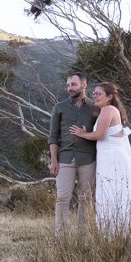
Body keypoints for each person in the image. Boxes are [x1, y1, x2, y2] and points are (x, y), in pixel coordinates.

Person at [69, 82, 131, 235]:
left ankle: (115, 233)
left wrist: (82, 134)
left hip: (112, 159)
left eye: (99, 93)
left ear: (109, 97)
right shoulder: (108, 110)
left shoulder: (108, 110)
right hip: (110, 157)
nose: (94, 96)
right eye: (94, 93)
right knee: (116, 193)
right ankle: (121, 231)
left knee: (112, 193)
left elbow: (100, 135)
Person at [49, 72, 97, 236]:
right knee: (62, 198)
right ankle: (60, 237)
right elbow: (53, 137)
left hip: (88, 159)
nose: (70, 88)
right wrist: (54, 161)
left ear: (84, 85)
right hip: (65, 159)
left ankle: (83, 238)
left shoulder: (95, 108)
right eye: (68, 85)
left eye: (73, 84)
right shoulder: (59, 108)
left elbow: (101, 133)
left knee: (86, 199)